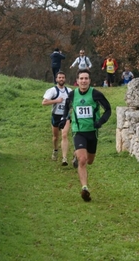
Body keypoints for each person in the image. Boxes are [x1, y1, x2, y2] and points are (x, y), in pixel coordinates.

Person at [59, 69, 111, 202]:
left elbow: (108, 110)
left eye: (86, 78)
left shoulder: (96, 94)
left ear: (89, 80)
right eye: (81, 78)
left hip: (92, 132)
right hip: (78, 131)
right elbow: (66, 107)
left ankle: (77, 157)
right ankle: (85, 188)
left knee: (90, 161)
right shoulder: (72, 95)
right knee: (83, 160)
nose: (83, 81)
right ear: (77, 81)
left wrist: (100, 122)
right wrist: (64, 118)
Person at [42, 71, 72, 166]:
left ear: (65, 79)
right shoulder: (52, 90)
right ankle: (55, 150)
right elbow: (44, 102)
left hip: (66, 116)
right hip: (56, 116)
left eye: (63, 77)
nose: (61, 79)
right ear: (56, 79)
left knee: (64, 135)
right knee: (55, 137)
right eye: (59, 77)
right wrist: (56, 101)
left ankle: (64, 158)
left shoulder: (70, 91)